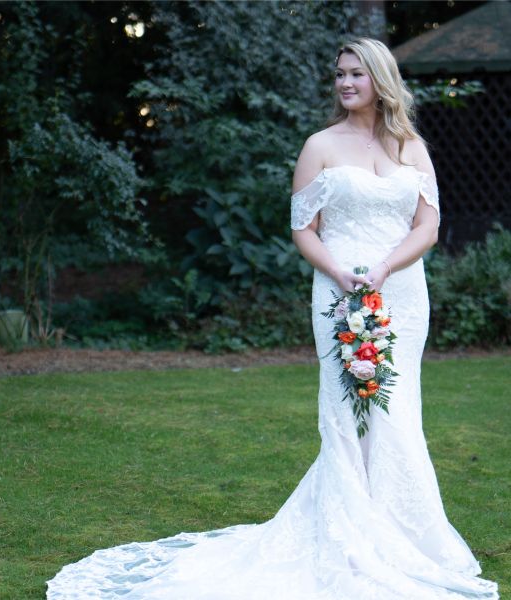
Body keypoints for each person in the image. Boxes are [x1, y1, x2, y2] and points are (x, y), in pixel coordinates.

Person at [47, 38, 499, 599]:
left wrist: (384, 268)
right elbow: (303, 229)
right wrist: (342, 273)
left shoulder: (413, 147)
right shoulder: (319, 146)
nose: (345, 83)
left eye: (357, 73)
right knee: (346, 413)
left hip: (402, 293)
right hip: (338, 292)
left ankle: (405, 537)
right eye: (339, 74)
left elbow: (427, 227)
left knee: (398, 411)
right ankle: (350, 538)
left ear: (381, 79)